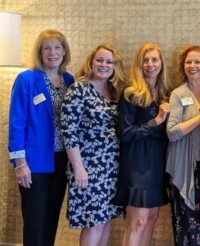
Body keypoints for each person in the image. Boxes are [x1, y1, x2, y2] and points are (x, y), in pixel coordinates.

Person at [7, 29, 74, 246]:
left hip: (61, 160)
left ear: (64, 51)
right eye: (47, 48)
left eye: (57, 47)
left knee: (51, 218)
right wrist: (19, 163)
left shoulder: (69, 80)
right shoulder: (26, 80)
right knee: (35, 221)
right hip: (34, 162)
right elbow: (16, 123)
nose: (52, 52)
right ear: (40, 52)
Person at [60, 44, 126, 245]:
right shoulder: (79, 90)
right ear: (91, 62)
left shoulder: (113, 92)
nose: (104, 65)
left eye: (109, 62)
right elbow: (68, 131)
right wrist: (79, 168)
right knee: (94, 223)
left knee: (105, 221)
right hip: (88, 169)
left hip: (110, 169)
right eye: (100, 60)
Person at [114, 43, 170, 246]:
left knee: (152, 217)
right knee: (138, 221)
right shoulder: (130, 92)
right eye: (145, 60)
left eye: (154, 59)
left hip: (158, 163)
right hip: (137, 162)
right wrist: (156, 121)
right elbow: (126, 134)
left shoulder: (165, 93)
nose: (150, 64)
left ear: (161, 63)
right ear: (139, 64)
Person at [165, 45, 200, 245]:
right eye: (188, 62)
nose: (192, 66)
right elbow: (172, 132)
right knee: (188, 226)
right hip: (186, 167)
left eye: (197, 61)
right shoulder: (178, 94)